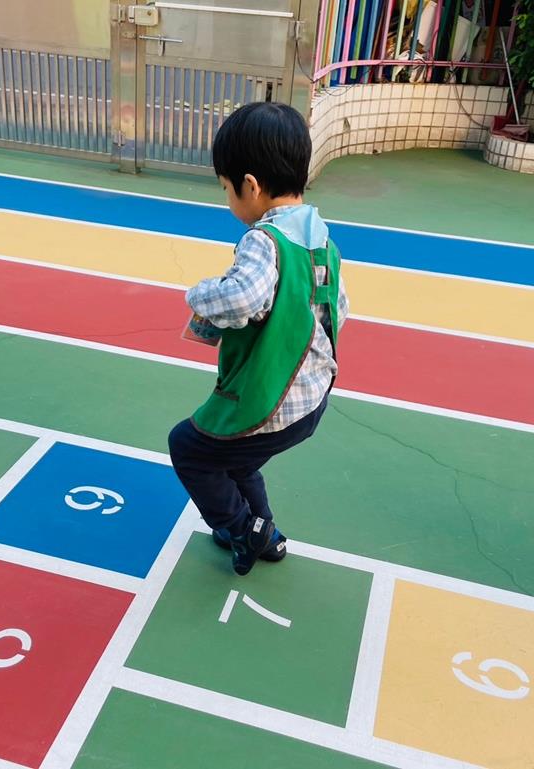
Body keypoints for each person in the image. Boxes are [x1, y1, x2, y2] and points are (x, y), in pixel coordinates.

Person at [168, 101, 348, 576]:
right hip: (312, 397)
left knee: (188, 448)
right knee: (239, 462)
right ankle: (267, 534)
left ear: (250, 185)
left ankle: (246, 529)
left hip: (271, 403)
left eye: (226, 189)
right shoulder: (321, 239)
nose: (228, 199)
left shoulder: (264, 241)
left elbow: (242, 298)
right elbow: (338, 309)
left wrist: (200, 293)